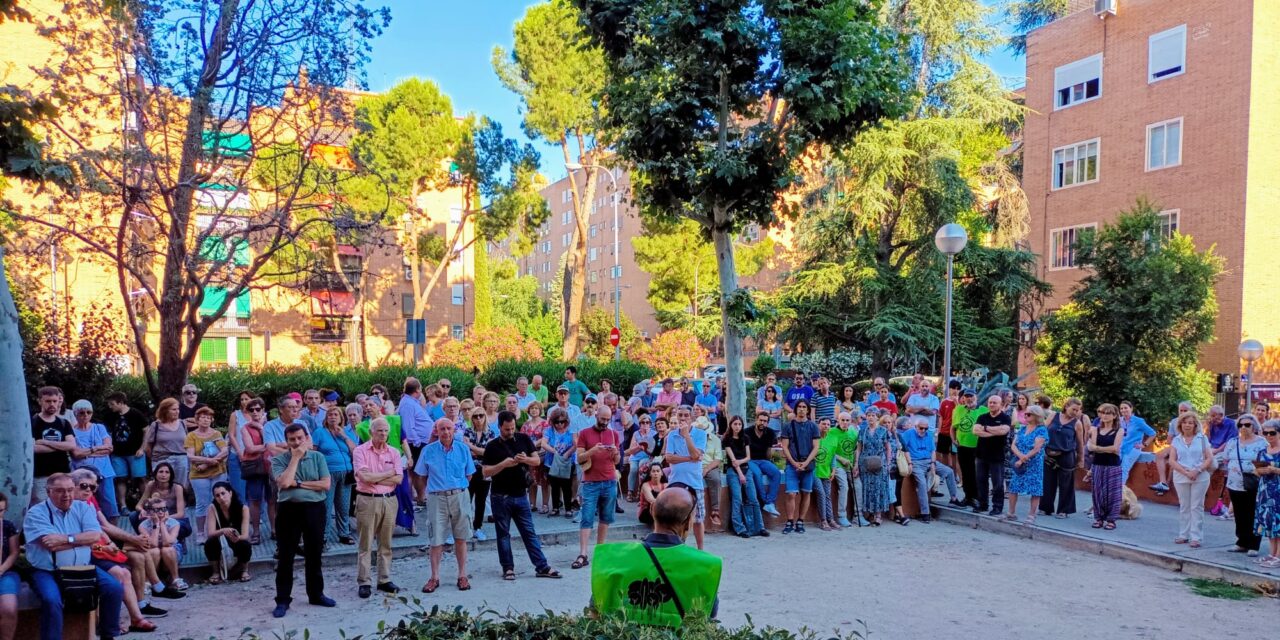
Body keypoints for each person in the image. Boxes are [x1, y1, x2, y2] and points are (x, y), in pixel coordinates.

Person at [590, 487, 722, 628]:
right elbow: (710, 614)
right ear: (689, 521)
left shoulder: (611, 558)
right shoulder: (707, 566)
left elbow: (594, 612)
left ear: (652, 511)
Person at [24, 473, 126, 640]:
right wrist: (82, 540)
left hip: (81, 567)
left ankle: (108, 635)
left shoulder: (83, 507)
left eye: (70, 490)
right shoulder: (36, 513)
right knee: (51, 601)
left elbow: (94, 536)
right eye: (60, 491)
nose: (67, 495)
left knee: (113, 588)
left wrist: (65, 539)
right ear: (48, 491)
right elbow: (49, 544)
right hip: (46, 569)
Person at [69, 469, 154, 634]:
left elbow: (101, 529)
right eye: (84, 486)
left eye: (93, 487)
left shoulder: (88, 503)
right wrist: (107, 546)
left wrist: (109, 543)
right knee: (120, 573)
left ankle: (138, 615)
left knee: (137, 558)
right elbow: (80, 541)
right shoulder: (71, 506)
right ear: (73, 486)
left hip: (97, 549)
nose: (89, 490)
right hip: (83, 554)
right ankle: (111, 622)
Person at [483, 411, 562, 580]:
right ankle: (508, 568)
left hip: (521, 495)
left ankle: (542, 566)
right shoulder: (492, 446)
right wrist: (503, 464)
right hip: (500, 496)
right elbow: (485, 471)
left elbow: (537, 461)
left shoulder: (524, 439)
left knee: (529, 532)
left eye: (512, 428)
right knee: (503, 534)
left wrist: (524, 459)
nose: (510, 432)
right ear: (499, 427)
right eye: (506, 429)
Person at [270, 423, 335, 618]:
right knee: (285, 556)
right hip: (288, 510)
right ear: (287, 441)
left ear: (306, 437)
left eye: (300, 438)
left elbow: (325, 484)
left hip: (315, 509)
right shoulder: (279, 460)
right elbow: (282, 482)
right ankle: (282, 600)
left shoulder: (318, 457)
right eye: (292, 439)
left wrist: (297, 483)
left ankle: (316, 594)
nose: (297, 442)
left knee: (314, 553)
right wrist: (295, 458)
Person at [416, 418, 474, 593]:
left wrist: (456, 487)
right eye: (442, 429)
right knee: (436, 539)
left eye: (449, 428)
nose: (446, 432)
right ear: (437, 430)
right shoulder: (428, 451)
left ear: (454, 429)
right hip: (437, 498)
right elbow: (421, 476)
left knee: (461, 537)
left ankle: (462, 575)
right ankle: (434, 577)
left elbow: (469, 474)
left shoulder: (463, 449)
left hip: (459, 496)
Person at [352, 417, 403, 598]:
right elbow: (365, 478)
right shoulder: (360, 451)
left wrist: (376, 476)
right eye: (379, 430)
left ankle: (384, 579)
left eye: (385, 431)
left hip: (389, 500)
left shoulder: (394, 452)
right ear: (372, 432)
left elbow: (399, 479)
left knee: (386, 543)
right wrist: (389, 473)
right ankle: (364, 581)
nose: (383, 434)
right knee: (365, 543)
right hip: (367, 499)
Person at [572, 405, 623, 567]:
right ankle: (583, 553)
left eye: (608, 420)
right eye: (603, 419)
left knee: (605, 518)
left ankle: (600, 551)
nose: (605, 422)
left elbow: (617, 461)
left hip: (609, 481)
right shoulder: (585, 433)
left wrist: (615, 454)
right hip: (590, 482)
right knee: (586, 518)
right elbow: (579, 458)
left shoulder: (613, 434)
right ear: (596, 415)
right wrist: (592, 451)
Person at [311, 406, 357, 545]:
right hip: (328, 473)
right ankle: (323, 536)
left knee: (343, 505)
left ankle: (344, 533)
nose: (333, 417)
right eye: (330, 414)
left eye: (336, 414)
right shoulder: (319, 432)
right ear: (326, 418)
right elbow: (314, 452)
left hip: (346, 472)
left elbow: (355, 451)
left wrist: (343, 436)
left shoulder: (347, 432)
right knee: (326, 505)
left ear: (341, 417)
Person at [900, 415, 960, 523]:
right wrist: (909, 463)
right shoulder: (908, 434)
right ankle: (925, 512)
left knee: (949, 472)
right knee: (922, 483)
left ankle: (954, 498)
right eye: (921, 428)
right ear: (915, 426)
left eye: (926, 428)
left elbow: (933, 451)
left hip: (929, 460)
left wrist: (933, 463)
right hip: (915, 462)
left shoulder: (928, 435)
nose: (923, 430)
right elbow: (903, 449)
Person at [68, 399, 118, 518]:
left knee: (110, 507)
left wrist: (86, 451)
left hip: (104, 472)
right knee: (84, 506)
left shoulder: (99, 427)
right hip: (81, 475)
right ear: (75, 414)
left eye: (88, 412)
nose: (85, 415)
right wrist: (97, 448)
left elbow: (109, 449)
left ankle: (114, 535)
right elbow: (76, 454)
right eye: (81, 412)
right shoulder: (71, 432)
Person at [1169, 413, 1212, 548]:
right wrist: (1185, 472)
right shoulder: (1176, 440)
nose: (1187, 425)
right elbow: (1172, 460)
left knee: (1197, 506)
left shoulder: (1202, 438)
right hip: (1181, 476)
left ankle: (1196, 537)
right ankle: (1183, 534)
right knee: (1184, 506)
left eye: (1190, 423)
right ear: (1180, 424)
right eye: (1185, 422)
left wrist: (1197, 471)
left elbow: (1209, 458)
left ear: (1195, 425)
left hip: (1200, 476)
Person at [184, 406, 228, 542]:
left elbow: (225, 450)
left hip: (218, 472)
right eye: (202, 417)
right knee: (202, 503)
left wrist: (207, 464)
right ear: (197, 420)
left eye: (208, 418)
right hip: (198, 474)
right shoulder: (191, 436)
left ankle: (219, 530)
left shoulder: (216, 434)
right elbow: (190, 456)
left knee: (221, 501)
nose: (205, 420)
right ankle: (201, 533)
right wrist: (209, 460)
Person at [1224, 416, 1266, 557]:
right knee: (1239, 513)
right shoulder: (1233, 442)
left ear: (1254, 426)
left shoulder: (1261, 443)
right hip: (1234, 482)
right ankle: (1242, 541)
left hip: (1253, 481)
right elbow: (1226, 458)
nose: (1243, 427)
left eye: (1247, 425)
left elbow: (1266, 461)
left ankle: (1254, 544)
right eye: (1240, 425)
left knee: (1253, 513)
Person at [1042, 398, 1088, 519]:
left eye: (1077, 410)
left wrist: (1081, 459)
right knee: (1048, 481)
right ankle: (1045, 507)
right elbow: (1042, 431)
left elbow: (1080, 443)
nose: (1075, 412)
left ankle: (1064, 510)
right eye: (1073, 409)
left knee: (1066, 484)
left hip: (1067, 455)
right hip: (1049, 453)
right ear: (1066, 406)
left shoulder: (1077, 423)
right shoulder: (1053, 416)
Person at [104, 392, 148, 517]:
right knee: (120, 479)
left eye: (112, 404)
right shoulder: (110, 416)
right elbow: (107, 432)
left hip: (135, 452)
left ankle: (144, 504)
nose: (110, 406)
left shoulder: (135, 414)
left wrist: (142, 448)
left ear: (121, 403)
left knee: (140, 478)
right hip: (117, 453)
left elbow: (146, 430)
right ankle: (123, 506)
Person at [779, 399, 820, 534]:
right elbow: (785, 447)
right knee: (791, 493)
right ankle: (790, 520)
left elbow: (816, 447)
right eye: (799, 407)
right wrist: (794, 462)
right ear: (795, 409)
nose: (801, 409)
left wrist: (806, 462)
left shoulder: (813, 426)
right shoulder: (788, 426)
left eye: (804, 407)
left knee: (806, 492)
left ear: (808, 410)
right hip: (792, 464)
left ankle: (800, 520)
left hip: (808, 465)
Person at [722, 415, 766, 537]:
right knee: (737, 499)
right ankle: (739, 528)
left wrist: (742, 465)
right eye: (735, 424)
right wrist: (741, 474)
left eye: (739, 424)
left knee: (753, 498)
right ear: (731, 425)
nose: (737, 427)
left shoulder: (745, 438)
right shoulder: (727, 439)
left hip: (746, 469)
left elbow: (748, 457)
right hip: (734, 471)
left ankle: (760, 527)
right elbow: (733, 460)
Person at [31, 386, 75, 504]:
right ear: (40, 401)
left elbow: (71, 445)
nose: (52, 404)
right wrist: (61, 446)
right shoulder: (32, 422)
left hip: (63, 473)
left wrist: (45, 442)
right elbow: (34, 448)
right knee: (41, 507)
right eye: (48, 401)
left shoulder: (64, 423)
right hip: (40, 476)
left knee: (64, 505)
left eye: (55, 401)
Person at [203, 481, 252, 584]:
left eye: (223, 493)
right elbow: (210, 533)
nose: (221, 497)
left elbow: (245, 535)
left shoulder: (243, 508)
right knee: (210, 543)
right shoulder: (212, 508)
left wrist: (237, 537)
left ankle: (245, 570)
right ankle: (215, 572)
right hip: (219, 539)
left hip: (236, 538)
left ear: (230, 493)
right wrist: (223, 530)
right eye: (217, 495)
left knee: (245, 545)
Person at [236, 397, 270, 544]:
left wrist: (262, 428)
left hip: (271, 466)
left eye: (258, 409)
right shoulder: (245, 428)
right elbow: (250, 448)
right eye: (252, 410)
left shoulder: (271, 425)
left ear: (263, 410)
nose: (255, 412)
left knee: (273, 500)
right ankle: (255, 532)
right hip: (254, 468)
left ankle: (275, 530)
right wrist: (269, 446)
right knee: (254, 500)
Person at [1087, 403, 1126, 530]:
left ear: (1115, 416)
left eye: (1108, 413)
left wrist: (1098, 448)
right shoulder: (1095, 430)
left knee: (1113, 494)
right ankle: (1098, 518)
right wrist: (1102, 449)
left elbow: (1115, 449)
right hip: (1098, 464)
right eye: (1102, 413)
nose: (1104, 416)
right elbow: (1091, 448)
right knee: (1097, 493)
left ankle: (1111, 520)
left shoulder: (1119, 431)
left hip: (1112, 465)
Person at [1007, 405, 1048, 523]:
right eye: (1025, 413)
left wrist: (1022, 459)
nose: (1025, 415)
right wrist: (1019, 457)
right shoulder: (1023, 429)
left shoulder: (1041, 430)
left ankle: (1031, 515)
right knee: (1013, 486)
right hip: (1019, 463)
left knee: (1035, 489)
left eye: (1028, 414)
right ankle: (1011, 513)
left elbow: (1036, 449)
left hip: (1034, 464)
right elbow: (1013, 444)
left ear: (1037, 416)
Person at [973, 395, 1012, 516]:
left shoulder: (1005, 418)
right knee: (981, 481)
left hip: (997, 456)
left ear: (1000, 404)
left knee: (998, 483)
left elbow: (1004, 431)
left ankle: (997, 507)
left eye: (994, 403)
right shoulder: (982, 417)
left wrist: (985, 429)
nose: (991, 404)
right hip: (981, 454)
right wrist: (994, 432)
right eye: (990, 402)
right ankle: (983, 504)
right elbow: (975, 431)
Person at [131, 462, 189, 542]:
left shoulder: (177, 488)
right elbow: (138, 505)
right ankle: (145, 539)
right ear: (155, 474)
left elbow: (180, 514)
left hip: (173, 518)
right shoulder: (151, 484)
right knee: (133, 515)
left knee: (182, 526)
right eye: (161, 472)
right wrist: (142, 510)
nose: (163, 475)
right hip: (153, 517)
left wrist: (163, 519)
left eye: (167, 472)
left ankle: (177, 540)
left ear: (171, 475)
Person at [399, 377, 434, 506]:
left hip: (420, 442)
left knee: (418, 472)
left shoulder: (412, 402)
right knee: (417, 472)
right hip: (416, 444)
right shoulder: (407, 404)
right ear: (418, 390)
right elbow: (408, 426)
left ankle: (420, 497)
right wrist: (417, 442)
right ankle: (420, 497)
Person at [462, 408, 495, 541]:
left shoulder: (490, 432)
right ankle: (465, 527)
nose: (478, 418)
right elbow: (466, 451)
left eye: (481, 415)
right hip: (470, 470)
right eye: (475, 416)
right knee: (466, 499)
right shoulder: (468, 431)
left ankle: (478, 527)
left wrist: (472, 447)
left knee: (480, 500)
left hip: (484, 470)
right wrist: (478, 450)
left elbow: (487, 452)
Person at [144, 398, 190, 489]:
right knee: (162, 488)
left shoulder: (182, 423)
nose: (177, 412)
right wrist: (154, 460)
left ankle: (181, 503)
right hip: (162, 459)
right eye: (174, 409)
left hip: (182, 459)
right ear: (165, 410)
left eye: (178, 409)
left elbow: (187, 444)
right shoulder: (156, 425)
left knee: (181, 487)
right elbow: (148, 446)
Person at [1150, 401, 1195, 493]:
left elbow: (1196, 438)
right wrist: (1176, 445)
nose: (1182, 412)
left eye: (1185, 410)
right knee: (1159, 455)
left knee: (1173, 460)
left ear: (1190, 411)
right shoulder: (1174, 421)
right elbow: (1169, 439)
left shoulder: (1194, 422)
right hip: (1176, 445)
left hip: (1189, 447)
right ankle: (1163, 482)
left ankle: (1167, 483)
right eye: (1181, 410)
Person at [857, 413, 894, 525]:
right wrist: (856, 463)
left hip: (879, 462)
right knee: (867, 487)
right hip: (865, 462)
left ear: (877, 417)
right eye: (868, 415)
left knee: (879, 488)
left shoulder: (883, 431)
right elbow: (858, 448)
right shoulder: (862, 431)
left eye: (873, 415)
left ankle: (878, 515)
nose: (871, 417)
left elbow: (888, 448)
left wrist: (887, 463)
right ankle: (869, 513)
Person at [1253, 420, 1280, 568]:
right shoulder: (1263, 451)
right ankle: (1272, 553)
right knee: (1269, 523)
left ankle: (1278, 556)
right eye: (1265, 433)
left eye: (1272, 433)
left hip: (1278, 491)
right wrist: (1259, 471)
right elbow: (1255, 471)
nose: (1269, 436)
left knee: (1279, 523)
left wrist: (1274, 470)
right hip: (1265, 492)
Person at [542, 408, 578, 518]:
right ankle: (555, 508)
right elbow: (544, 443)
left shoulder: (571, 430)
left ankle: (568, 509)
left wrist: (567, 453)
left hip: (567, 461)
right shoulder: (549, 430)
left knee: (567, 486)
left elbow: (575, 444)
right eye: (556, 422)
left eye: (562, 421)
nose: (559, 424)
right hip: (551, 462)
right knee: (554, 486)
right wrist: (554, 451)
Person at [747, 411, 782, 516]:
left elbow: (769, 452)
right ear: (756, 420)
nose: (762, 423)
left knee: (776, 473)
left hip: (763, 460)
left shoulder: (770, 433)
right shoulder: (747, 432)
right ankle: (766, 501)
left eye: (765, 421)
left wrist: (770, 461)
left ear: (768, 422)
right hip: (750, 460)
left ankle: (770, 502)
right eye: (761, 420)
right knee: (757, 474)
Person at [225, 390, 256, 500]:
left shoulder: (258, 414)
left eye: (246, 399)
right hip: (237, 455)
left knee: (254, 492)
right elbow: (231, 435)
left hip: (254, 457)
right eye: (242, 399)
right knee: (238, 490)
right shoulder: (235, 415)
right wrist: (239, 452)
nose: (244, 401)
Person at [1118, 401, 1156, 484]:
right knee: (1116, 469)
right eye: (1121, 408)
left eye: (1125, 408)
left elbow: (1152, 433)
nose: (1123, 410)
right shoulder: (1119, 420)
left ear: (1131, 408)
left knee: (1124, 469)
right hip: (1121, 448)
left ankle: (1119, 492)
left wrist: (1144, 444)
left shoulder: (1138, 421)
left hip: (1133, 448)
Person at [698, 417, 723, 528]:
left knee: (716, 479)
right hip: (695, 465)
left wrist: (706, 469)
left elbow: (718, 459)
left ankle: (715, 511)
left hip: (710, 466)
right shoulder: (693, 438)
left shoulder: (715, 440)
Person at [637, 463, 666, 528]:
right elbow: (651, 500)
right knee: (654, 505)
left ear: (661, 473)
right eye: (653, 471)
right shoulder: (645, 485)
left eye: (658, 471)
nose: (656, 473)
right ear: (650, 473)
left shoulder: (665, 485)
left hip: (661, 510)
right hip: (646, 512)